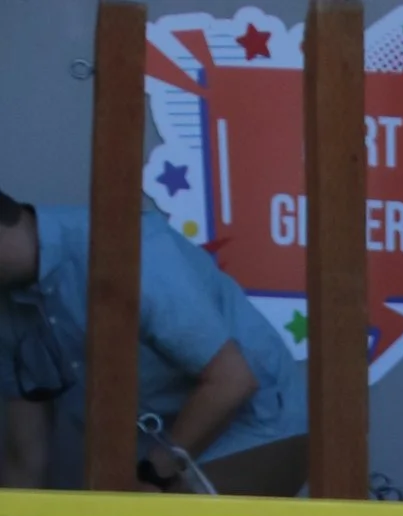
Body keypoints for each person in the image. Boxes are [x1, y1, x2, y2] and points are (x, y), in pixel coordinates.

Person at [0, 191, 308, 492]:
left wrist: (154, 473)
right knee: (119, 515)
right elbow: (24, 458)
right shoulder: (9, 302)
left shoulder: (122, 247)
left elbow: (232, 382)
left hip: (258, 429)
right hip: (158, 455)